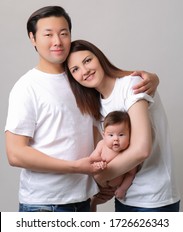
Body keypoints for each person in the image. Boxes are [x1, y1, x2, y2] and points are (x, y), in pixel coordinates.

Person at [5, 6, 159, 212]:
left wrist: (153, 78)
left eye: (63, 33)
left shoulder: (82, 81)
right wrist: (77, 168)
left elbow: (101, 123)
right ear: (32, 38)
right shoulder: (26, 87)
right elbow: (15, 154)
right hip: (45, 204)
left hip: (83, 200)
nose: (57, 41)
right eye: (48, 34)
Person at [65, 39, 180, 212]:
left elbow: (142, 150)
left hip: (154, 199)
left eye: (87, 60)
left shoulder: (131, 86)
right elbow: (104, 152)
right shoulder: (96, 106)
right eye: (75, 69)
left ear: (99, 58)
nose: (85, 71)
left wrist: (101, 176)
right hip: (124, 198)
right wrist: (101, 188)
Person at [90, 110, 137, 212]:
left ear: (130, 135)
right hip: (96, 185)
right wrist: (98, 164)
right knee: (91, 198)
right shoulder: (101, 145)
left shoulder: (129, 152)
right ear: (104, 135)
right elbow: (92, 159)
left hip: (111, 190)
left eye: (121, 135)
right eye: (111, 135)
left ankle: (93, 205)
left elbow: (130, 174)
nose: (116, 139)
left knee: (100, 199)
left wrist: (122, 189)